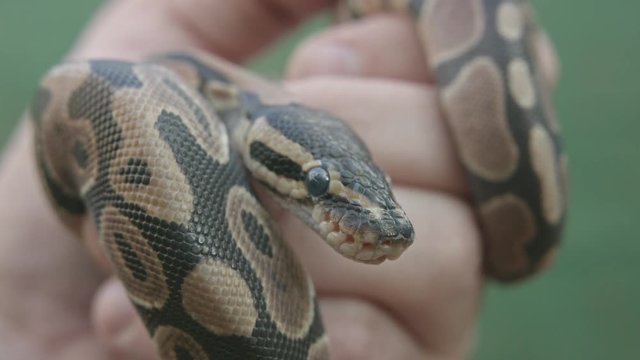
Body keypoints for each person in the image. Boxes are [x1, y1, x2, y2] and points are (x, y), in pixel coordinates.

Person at [0, 1, 559, 359]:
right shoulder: (135, 86)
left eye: (376, 184)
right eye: (319, 184)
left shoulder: (203, 103)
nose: (379, 227)